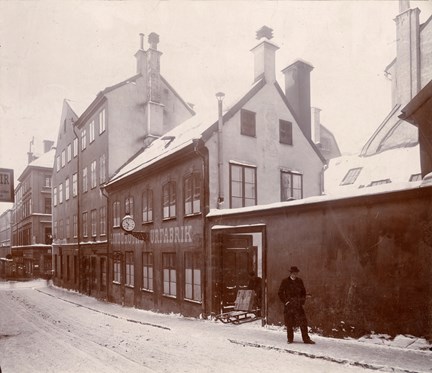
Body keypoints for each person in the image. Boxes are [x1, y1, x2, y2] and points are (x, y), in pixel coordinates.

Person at [278, 266, 315, 344]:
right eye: (293, 273)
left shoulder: (299, 281)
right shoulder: (285, 281)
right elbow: (280, 293)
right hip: (289, 305)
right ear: (290, 273)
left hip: (298, 305)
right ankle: (290, 339)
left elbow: (303, 292)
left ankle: (306, 339)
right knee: (289, 322)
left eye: (296, 273)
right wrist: (286, 302)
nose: (294, 275)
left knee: (303, 322)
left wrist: (302, 301)